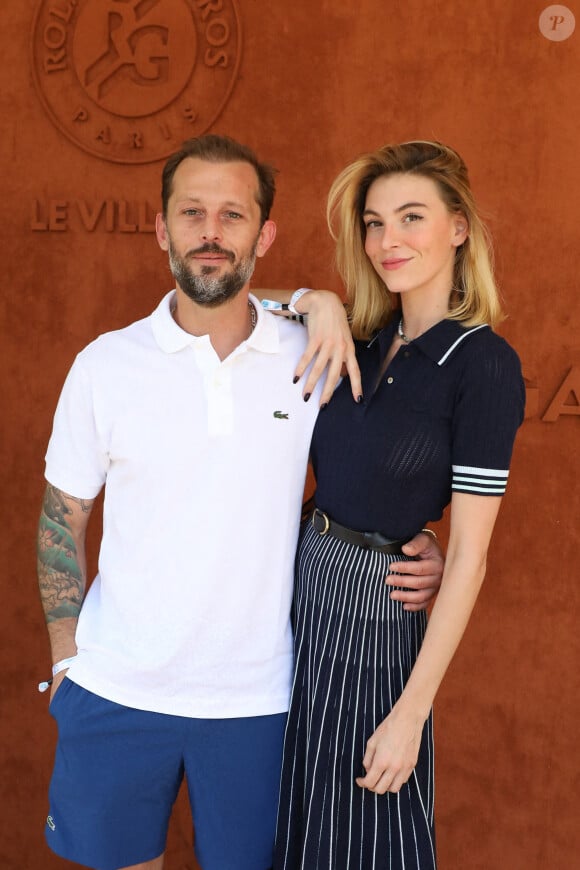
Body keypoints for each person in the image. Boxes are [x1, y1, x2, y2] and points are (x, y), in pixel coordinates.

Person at [37, 134, 444, 870]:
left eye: (232, 215)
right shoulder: (104, 365)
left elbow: (369, 478)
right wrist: (68, 658)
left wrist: (414, 543)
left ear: (265, 233)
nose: (211, 233)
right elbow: (62, 512)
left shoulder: (315, 353)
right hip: (117, 690)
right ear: (163, 228)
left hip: (262, 701)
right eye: (191, 213)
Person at [273, 141, 526, 870]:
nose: (389, 241)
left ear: (458, 227)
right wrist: (311, 300)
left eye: (411, 217)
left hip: (376, 609)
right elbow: (241, 307)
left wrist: (411, 715)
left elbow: (471, 557)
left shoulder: (481, 363)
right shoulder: (359, 334)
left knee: (363, 823)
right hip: (299, 587)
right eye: (374, 223)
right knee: (290, 807)